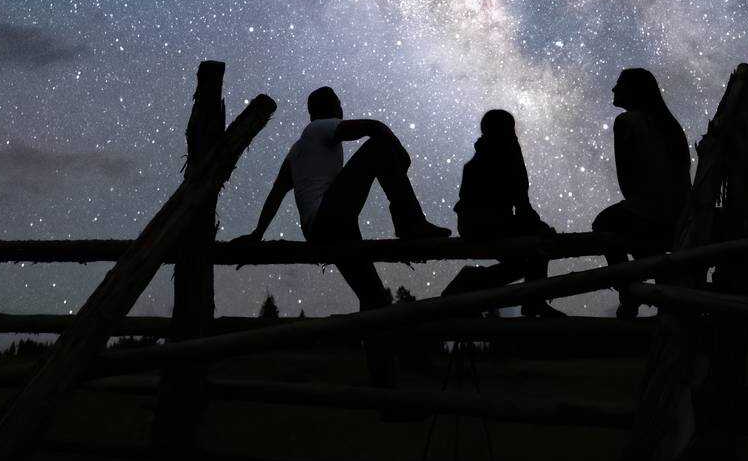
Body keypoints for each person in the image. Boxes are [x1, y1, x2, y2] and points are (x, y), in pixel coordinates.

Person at [234, 86, 450, 311]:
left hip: (324, 231)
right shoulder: (319, 128)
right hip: (330, 219)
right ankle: (410, 223)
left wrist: (257, 233)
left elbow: (275, 194)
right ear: (332, 106)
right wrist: (400, 152)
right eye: (339, 103)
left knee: (375, 298)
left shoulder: (296, 150)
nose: (341, 108)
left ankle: (368, 344)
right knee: (378, 145)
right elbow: (373, 127)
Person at [588, 67, 692, 315]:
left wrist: (643, 201)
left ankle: (629, 292)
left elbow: (629, 181)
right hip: (681, 208)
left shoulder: (627, 121)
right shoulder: (668, 122)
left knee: (604, 224)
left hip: (653, 209)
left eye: (620, 85)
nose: (613, 89)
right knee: (641, 238)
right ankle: (657, 283)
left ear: (634, 91)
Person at [447, 108, 563, 317]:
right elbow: (521, 203)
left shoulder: (485, 157)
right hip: (486, 224)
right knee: (537, 245)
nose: (514, 134)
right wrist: (537, 226)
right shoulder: (500, 157)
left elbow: (520, 203)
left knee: (523, 261)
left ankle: (472, 279)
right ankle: (534, 300)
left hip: (480, 224)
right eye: (511, 129)